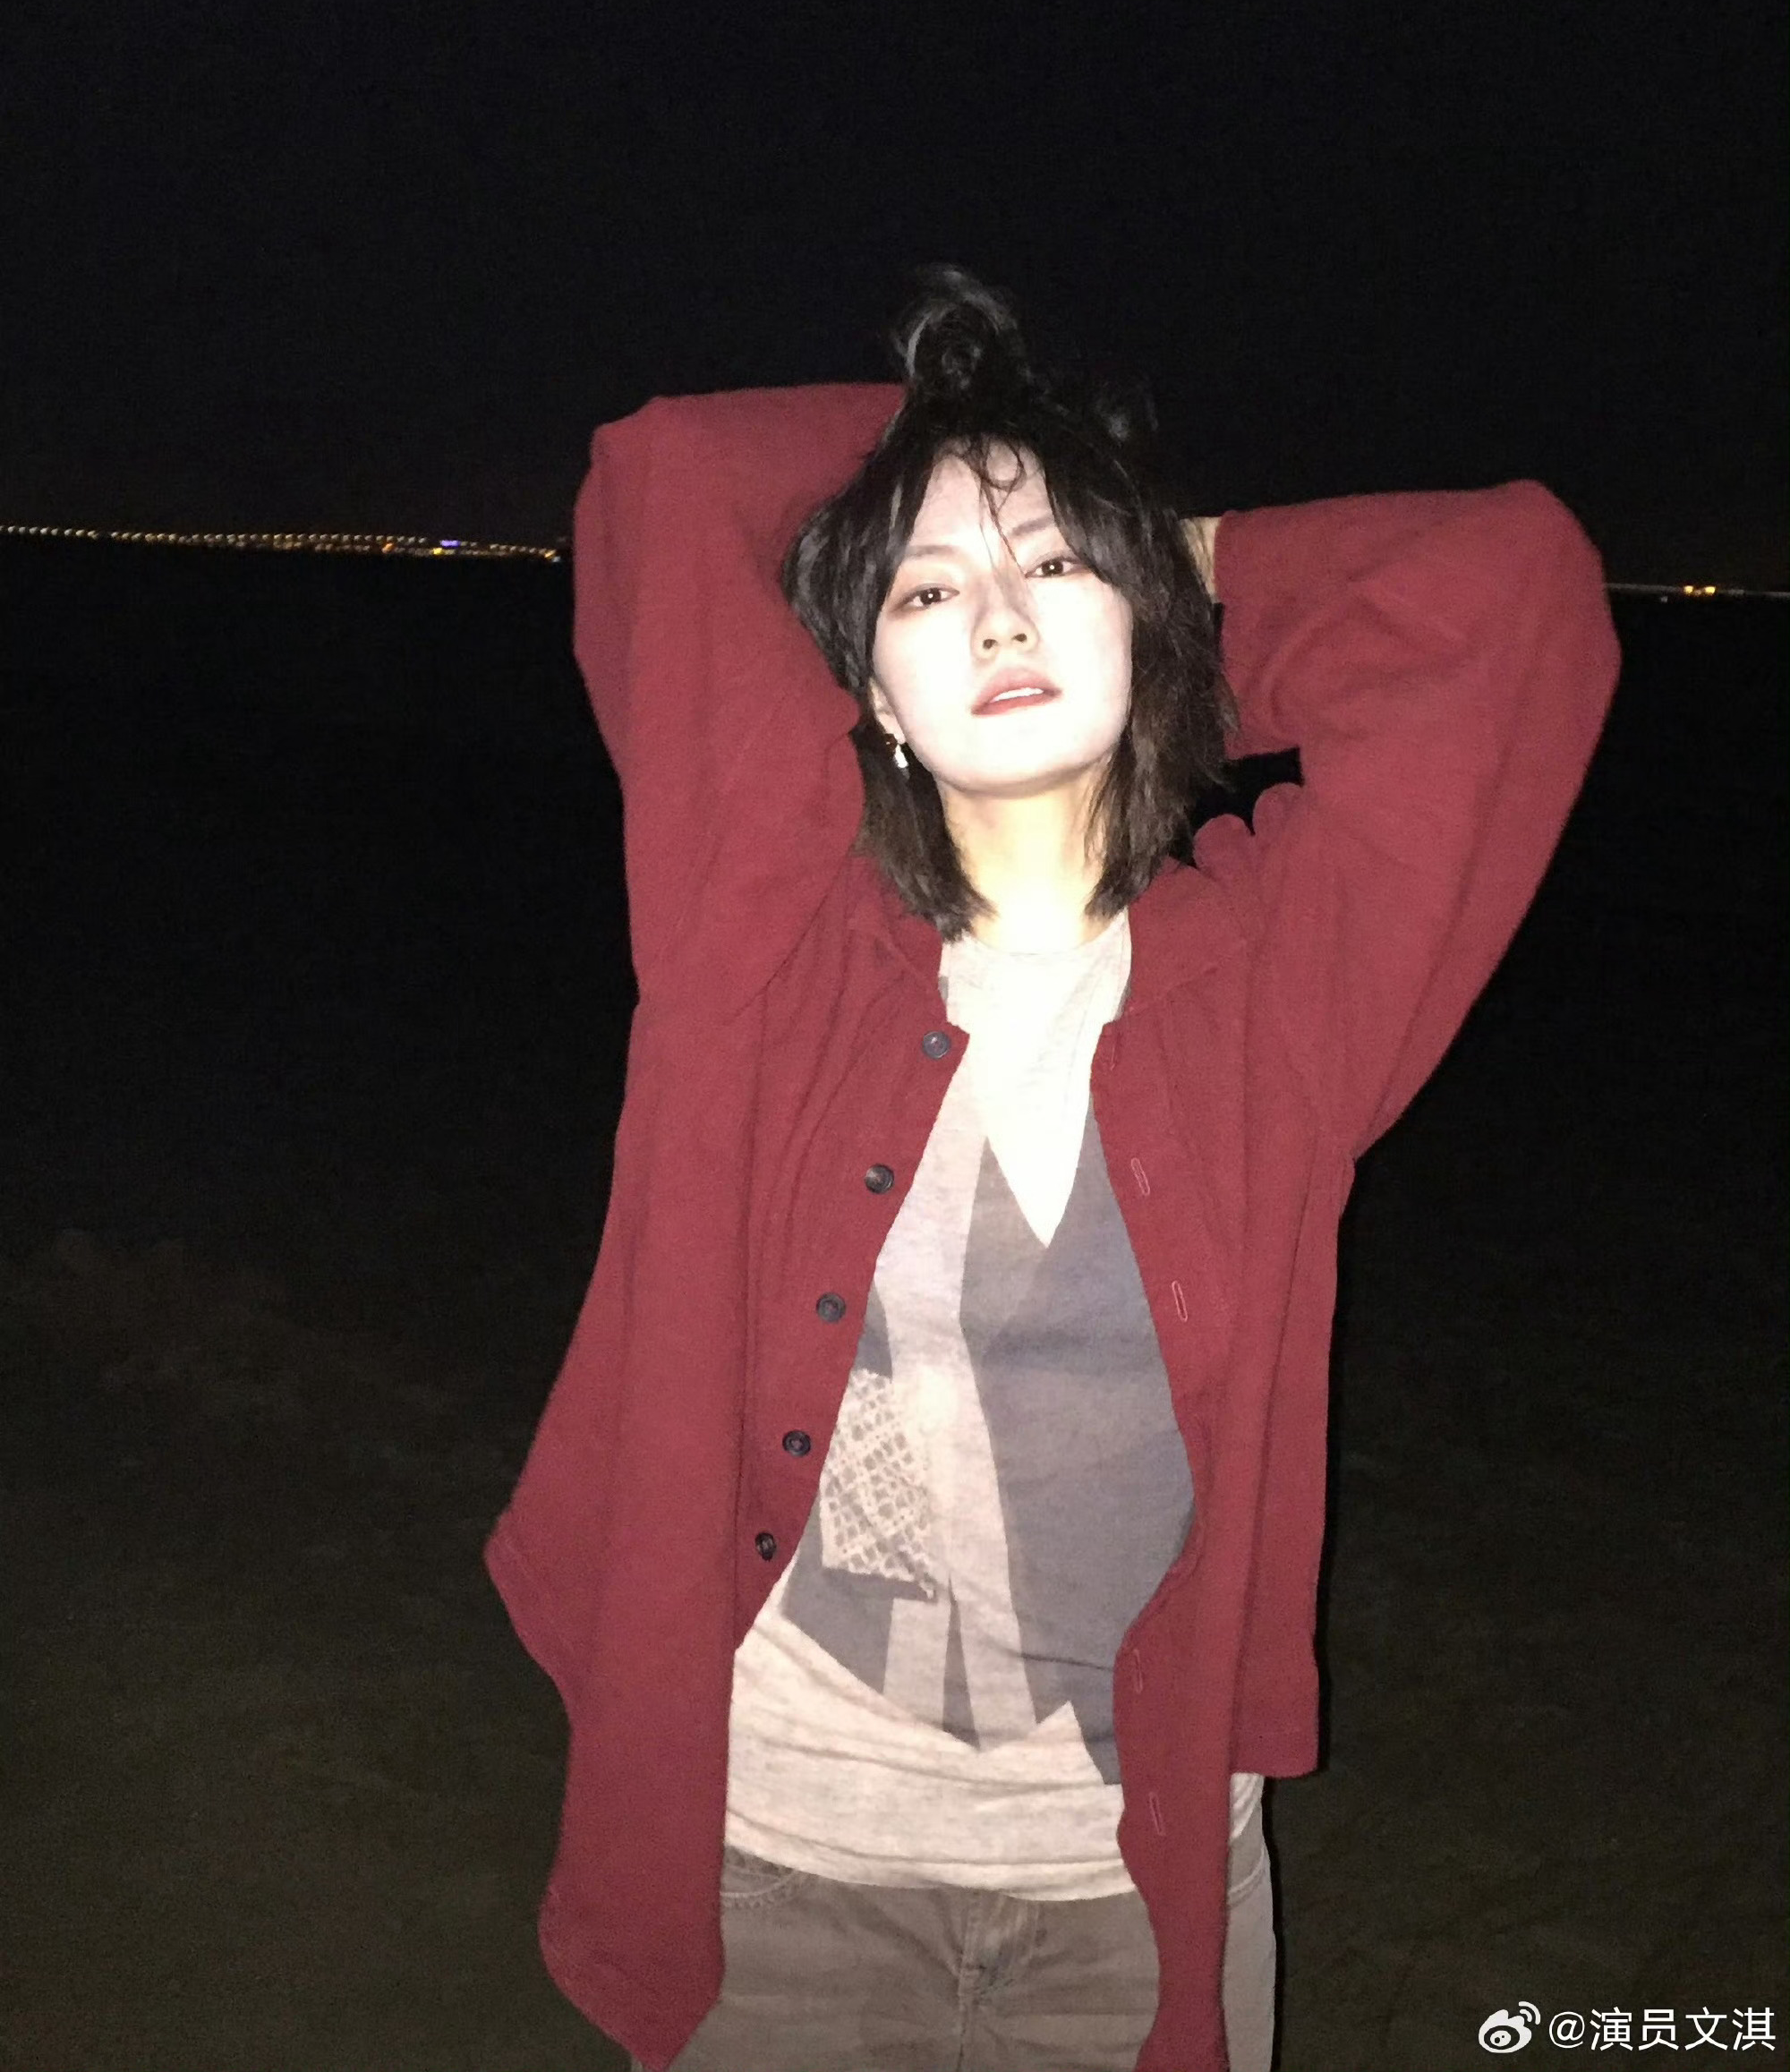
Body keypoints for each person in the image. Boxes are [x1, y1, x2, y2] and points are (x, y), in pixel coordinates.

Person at [485, 269, 1619, 2072]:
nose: (1002, 611)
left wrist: (1148, 560)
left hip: (1124, 1892)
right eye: (930, 594)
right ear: (866, 688)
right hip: (778, 1858)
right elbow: (666, 479)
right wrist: (971, 464)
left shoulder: (1279, 993)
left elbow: (1513, 593)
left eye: (1054, 571)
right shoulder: (758, 941)